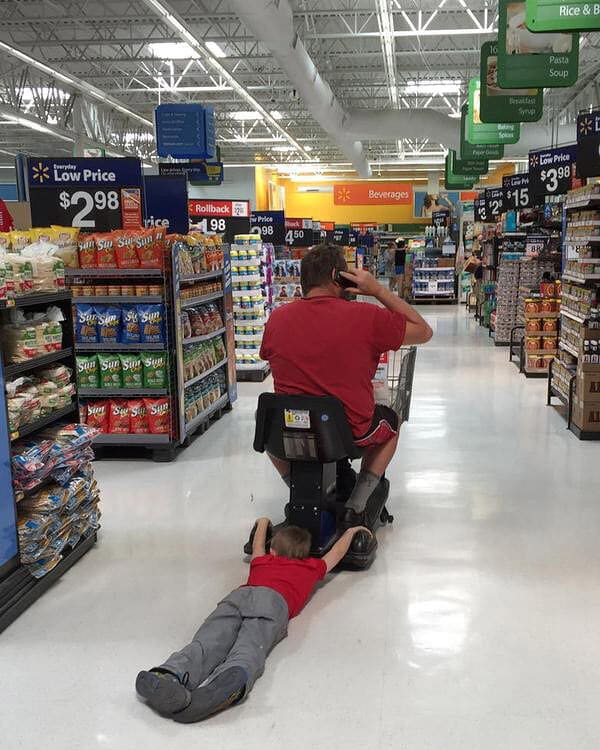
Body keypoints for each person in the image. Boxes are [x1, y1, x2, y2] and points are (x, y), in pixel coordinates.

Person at [259, 244, 433, 528]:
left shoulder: (277, 318)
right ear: (337, 276)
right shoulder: (367, 317)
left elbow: (268, 355)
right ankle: (357, 505)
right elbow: (424, 331)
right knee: (392, 421)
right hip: (348, 434)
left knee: (265, 421)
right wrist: (378, 290)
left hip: (289, 432)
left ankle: (302, 491)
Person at [135, 518, 371, 723]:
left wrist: (263, 522)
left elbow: (258, 544)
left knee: (208, 640)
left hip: (239, 597)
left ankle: (170, 673)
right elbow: (336, 553)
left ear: (273, 551)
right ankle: (230, 679)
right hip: (273, 604)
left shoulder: (263, 560)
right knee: (250, 646)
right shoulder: (311, 567)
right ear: (304, 554)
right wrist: (351, 532)